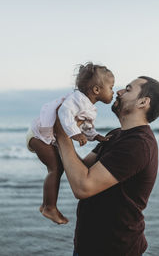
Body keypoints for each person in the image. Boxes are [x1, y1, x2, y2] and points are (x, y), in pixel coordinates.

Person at [53, 76, 159, 256]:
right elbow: (79, 170)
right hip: (88, 247)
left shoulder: (138, 144)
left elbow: (83, 187)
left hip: (115, 249)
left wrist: (62, 135)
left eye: (128, 89)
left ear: (143, 102)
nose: (119, 92)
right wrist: (63, 132)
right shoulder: (116, 135)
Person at [26, 63, 115, 224]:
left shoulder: (89, 107)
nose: (113, 92)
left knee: (57, 168)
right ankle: (49, 207)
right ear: (96, 90)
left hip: (44, 137)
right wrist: (75, 133)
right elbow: (64, 113)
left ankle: (46, 205)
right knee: (55, 168)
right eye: (111, 87)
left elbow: (86, 125)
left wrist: (95, 136)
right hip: (39, 135)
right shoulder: (78, 99)